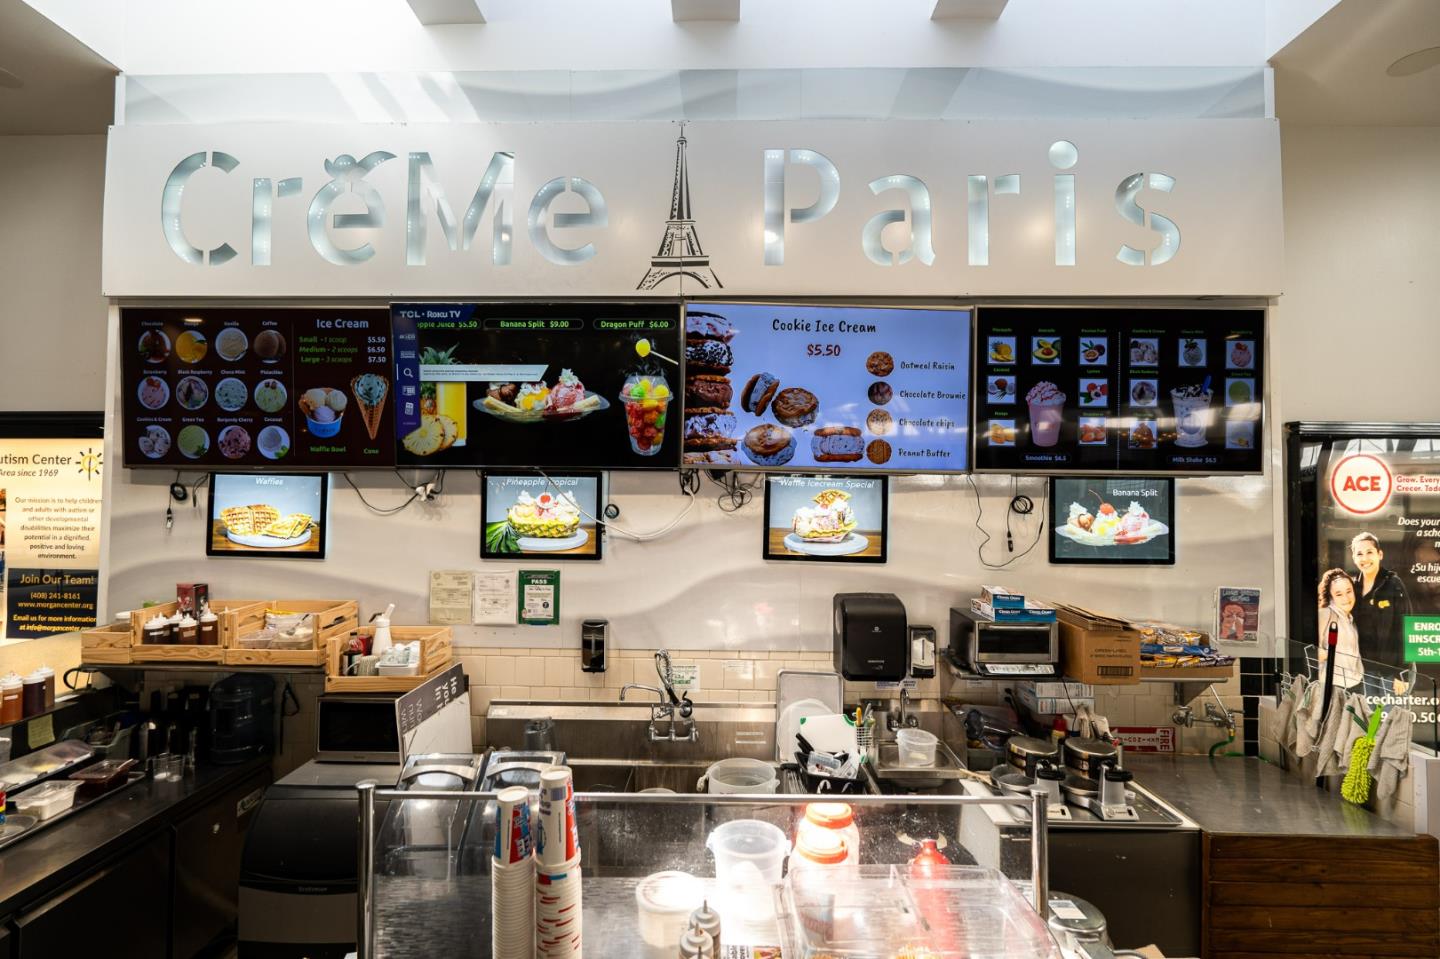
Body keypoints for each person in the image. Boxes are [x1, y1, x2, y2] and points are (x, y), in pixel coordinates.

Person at [1349, 532, 1413, 667]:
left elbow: (1407, 628)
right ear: (1354, 558)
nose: (1364, 558)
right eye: (1359, 554)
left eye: (1369, 552)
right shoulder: (1352, 587)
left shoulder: (1393, 584)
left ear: (1380, 554)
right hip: (1363, 668)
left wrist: (1402, 673)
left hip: (1391, 668)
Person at [1316, 568, 1364, 690]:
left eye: (1349, 591)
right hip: (1331, 686)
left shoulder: (1351, 619)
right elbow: (1309, 649)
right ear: (1330, 597)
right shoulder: (1325, 613)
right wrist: (1328, 654)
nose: (1346, 598)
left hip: (1354, 686)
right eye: (1339, 594)